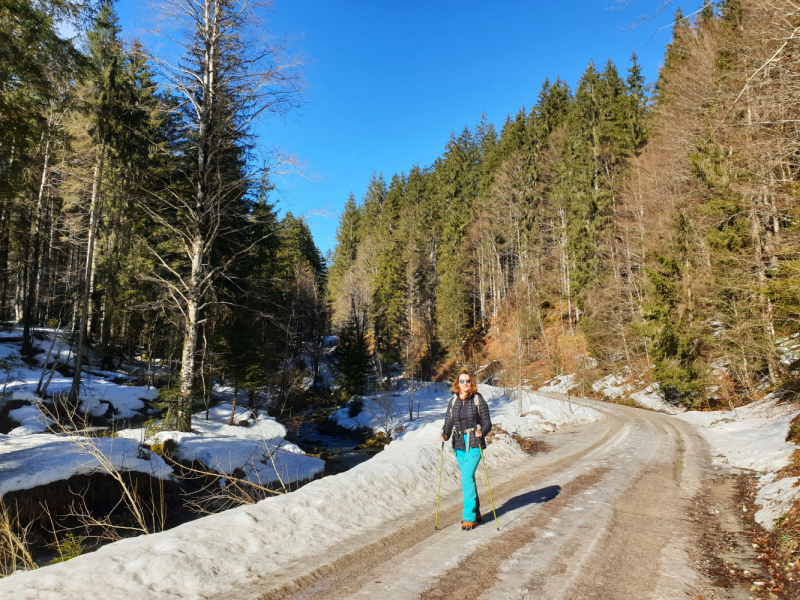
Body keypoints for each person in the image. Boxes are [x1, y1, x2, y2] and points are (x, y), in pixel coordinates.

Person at [440, 367, 492, 530]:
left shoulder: (478, 400)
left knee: (466, 478)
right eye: (461, 381)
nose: (465, 383)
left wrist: (481, 432)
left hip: (474, 443)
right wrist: (445, 434)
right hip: (458, 444)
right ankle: (476, 512)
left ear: (472, 383)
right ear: (457, 383)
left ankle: (468, 517)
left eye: (467, 381)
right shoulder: (453, 401)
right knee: (468, 479)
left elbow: (487, 423)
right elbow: (449, 421)